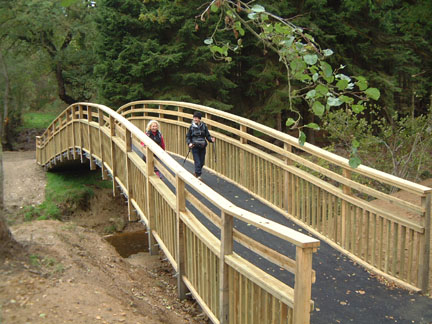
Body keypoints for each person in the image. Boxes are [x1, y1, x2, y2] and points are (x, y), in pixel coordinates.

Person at [186, 111, 215, 180]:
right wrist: (189, 143)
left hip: (202, 146)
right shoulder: (191, 127)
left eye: (196, 118)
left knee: (202, 162)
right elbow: (188, 137)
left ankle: (196, 173)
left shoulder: (204, 126)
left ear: (199, 119)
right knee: (197, 161)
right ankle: (198, 175)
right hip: (194, 146)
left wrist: (211, 140)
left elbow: (207, 136)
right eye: (194, 118)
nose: (195, 119)